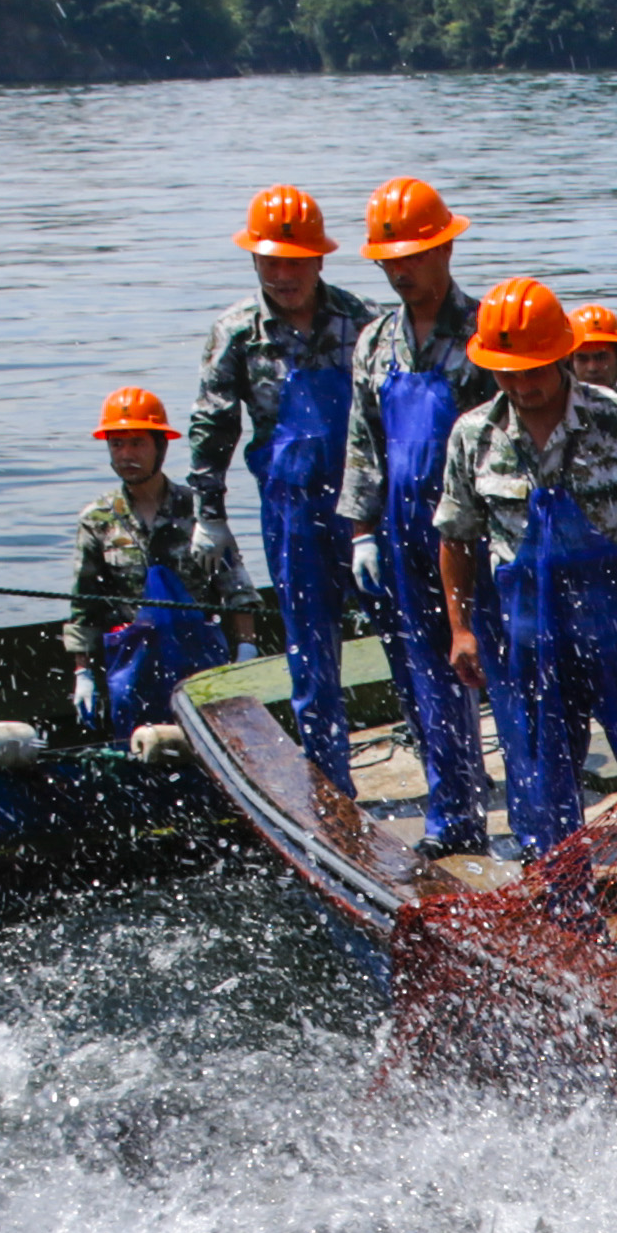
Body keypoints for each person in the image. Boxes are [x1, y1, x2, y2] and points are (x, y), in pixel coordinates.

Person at [435, 278, 617, 861]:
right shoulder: (473, 435)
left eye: (533, 371)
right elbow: (457, 538)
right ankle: (565, 918)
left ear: (563, 355)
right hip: (531, 639)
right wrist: (462, 630)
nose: (521, 386)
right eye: (506, 374)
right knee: (541, 783)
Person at [334, 175, 496, 859]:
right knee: (419, 678)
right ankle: (451, 813)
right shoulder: (375, 342)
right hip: (401, 534)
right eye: (390, 261)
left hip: (477, 531)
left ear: (446, 250)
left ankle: (537, 816)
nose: (402, 271)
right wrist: (363, 532)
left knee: (493, 666)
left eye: (415, 255)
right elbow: (364, 442)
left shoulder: (488, 331)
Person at [186, 186, 365, 799]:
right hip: (290, 510)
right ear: (254, 261)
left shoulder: (359, 321)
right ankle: (332, 788)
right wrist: (208, 514)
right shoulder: (236, 332)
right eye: (272, 261)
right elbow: (212, 425)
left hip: (366, 508)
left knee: (408, 638)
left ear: (320, 260)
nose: (284, 275)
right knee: (311, 653)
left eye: (296, 260)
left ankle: (449, 787)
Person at [65, 386, 253, 740]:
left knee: (209, 745)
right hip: (132, 667)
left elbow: (237, 589)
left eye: (137, 443)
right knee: (140, 751)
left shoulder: (199, 511)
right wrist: (83, 675)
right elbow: (84, 608)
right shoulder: (98, 519)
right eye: (117, 444)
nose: (126, 455)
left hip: (198, 660)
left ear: (160, 446)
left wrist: (246, 649)